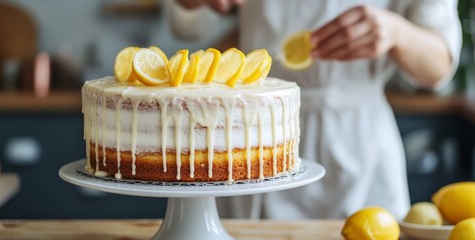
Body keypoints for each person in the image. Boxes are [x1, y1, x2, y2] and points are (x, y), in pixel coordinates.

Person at [168, 0, 461, 219]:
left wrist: (397, 32)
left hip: (359, 137)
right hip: (255, 131)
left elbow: (439, 66)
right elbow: (187, 23)